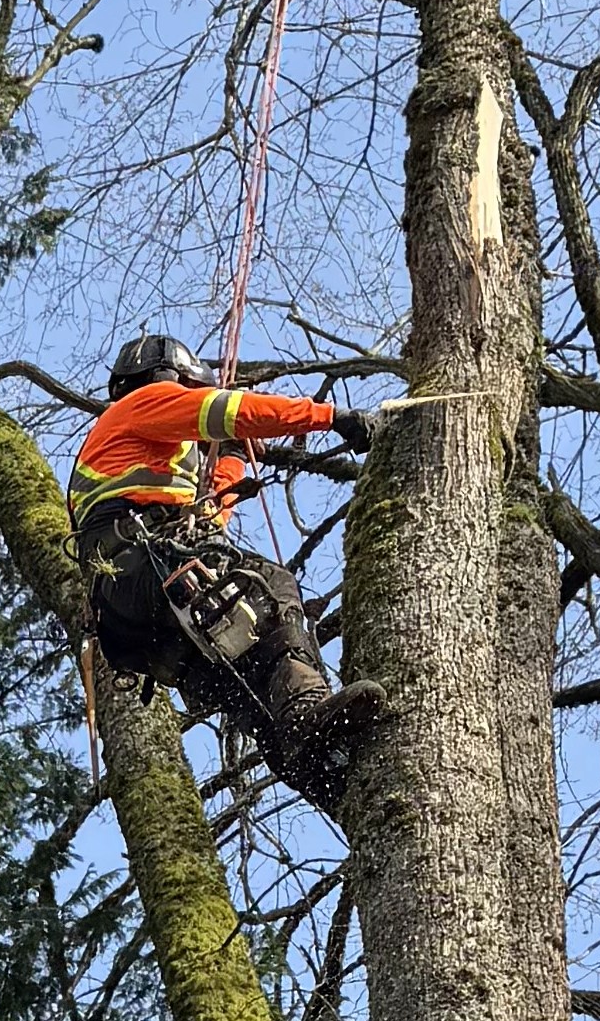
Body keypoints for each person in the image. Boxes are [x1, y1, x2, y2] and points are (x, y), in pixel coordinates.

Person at [67, 330, 389, 801]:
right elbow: (233, 411)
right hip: (149, 566)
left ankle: (325, 780)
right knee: (272, 590)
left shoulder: (128, 452)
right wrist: (330, 417)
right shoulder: (147, 403)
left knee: (246, 682)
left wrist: (232, 460)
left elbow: (208, 516)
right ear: (170, 380)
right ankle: (307, 711)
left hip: (132, 615)